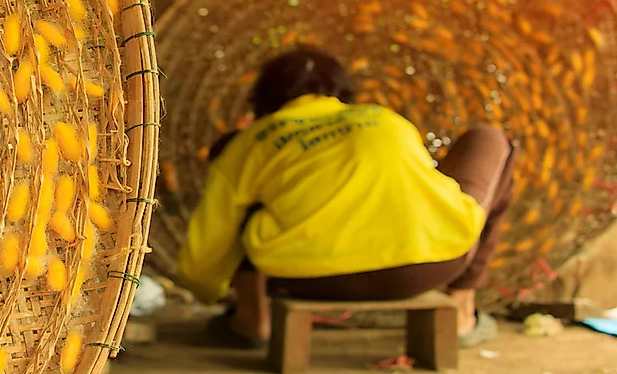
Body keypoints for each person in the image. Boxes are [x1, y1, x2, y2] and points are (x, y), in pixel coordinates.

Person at [178, 47, 515, 349]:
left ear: (264, 99)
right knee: (488, 139)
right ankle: (461, 309)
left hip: (300, 279)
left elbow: (212, 239)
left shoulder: (250, 142)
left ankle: (251, 319)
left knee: (248, 205)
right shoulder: (385, 120)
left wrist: (208, 292)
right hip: (427, 267)